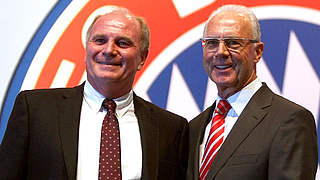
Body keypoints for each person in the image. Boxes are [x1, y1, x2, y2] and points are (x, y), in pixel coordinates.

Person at [0, 6, 188, 180]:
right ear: (86, 49)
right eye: (100, 40)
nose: (109, 50)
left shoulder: (171, 128)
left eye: (122, 43)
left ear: (142, 57)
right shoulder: (35, 110)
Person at [187, 4, 318, 180]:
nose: (220, 52)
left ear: (257, 52)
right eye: (211, 43)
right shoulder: (194, 128)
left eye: (233, 42)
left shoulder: (289, 120)